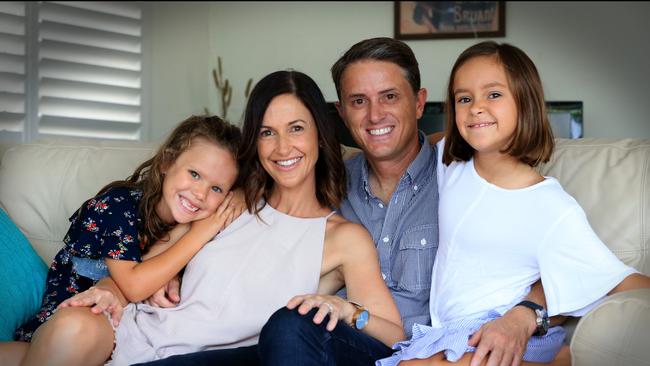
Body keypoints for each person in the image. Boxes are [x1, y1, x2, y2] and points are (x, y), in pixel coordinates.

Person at [5, 70, 404, 366]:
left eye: (296, 128)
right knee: (71, 325)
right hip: (123, 333)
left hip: (193, 359)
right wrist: (109, 289)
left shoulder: (343, 237)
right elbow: (144, 269)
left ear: (320, 132)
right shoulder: (227, 199)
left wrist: (349, 311)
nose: (282, 147)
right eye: (267, 132)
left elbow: (394, 336)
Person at [256, 37, 556, 366]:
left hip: (427, 355)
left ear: (418, 103)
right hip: (337, 345)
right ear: (341, 113)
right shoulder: (326, 179)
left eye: (389, 97)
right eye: (359, 101)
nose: (374, 115)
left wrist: (523, 316)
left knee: (289, 327)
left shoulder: (464, 180)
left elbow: (555, 269)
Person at [375, 41, 650, 366]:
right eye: (464, 98)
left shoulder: (549, 204)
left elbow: (619, 280)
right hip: (450, 332)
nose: (475, 107)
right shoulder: (449, 164)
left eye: (493, 94)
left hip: (497, 332)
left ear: (525, 103)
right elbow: (429, 143)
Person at [0, 115, 241, 365]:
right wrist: (202, 230)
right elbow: (133, 286)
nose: (200, 193)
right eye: (194, 174)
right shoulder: (118, 205)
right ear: (167, 162)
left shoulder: (194, 222)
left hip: (121, 330)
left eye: (216, 189)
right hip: (72, 316)